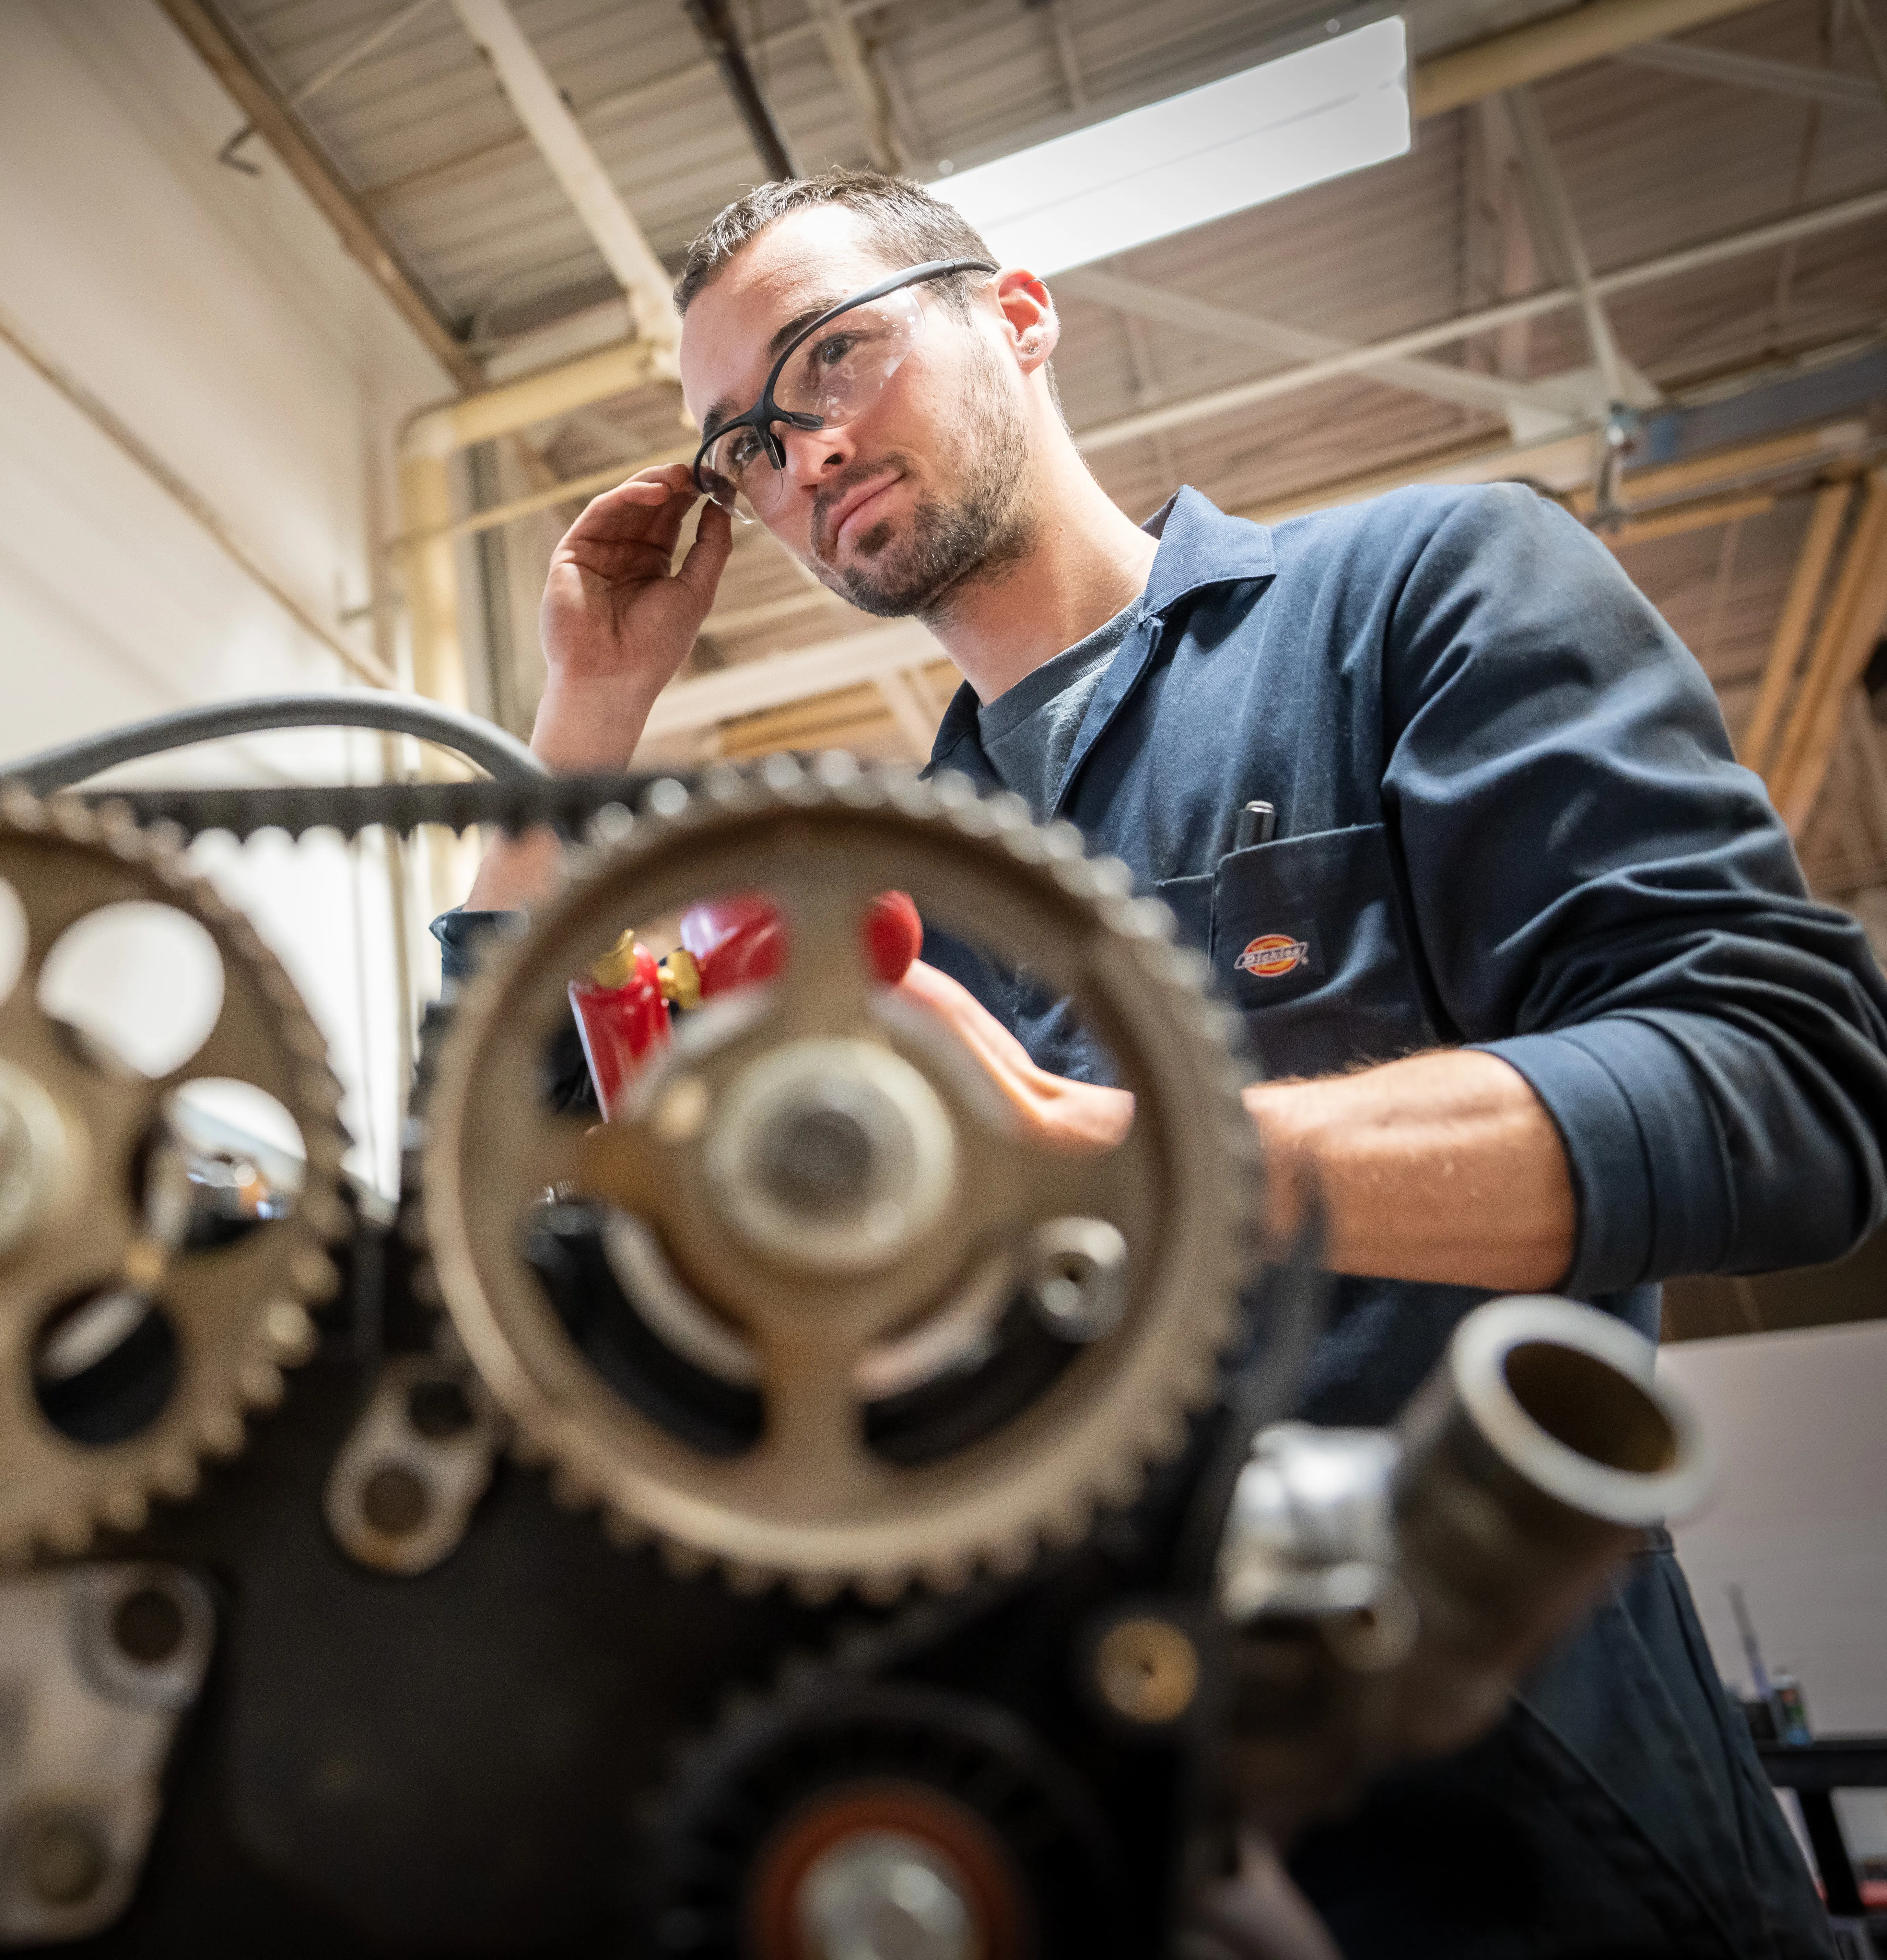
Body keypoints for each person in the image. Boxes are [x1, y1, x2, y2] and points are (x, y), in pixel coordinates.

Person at [436, 170, 1883, 1958]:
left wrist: (1109, 1146)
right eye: (743, 440)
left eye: (833, 360)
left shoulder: (1411, 601)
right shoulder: (870, 875)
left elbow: (1782, 1088)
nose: (799, 452)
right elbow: (508, 1167)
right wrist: (586, 709)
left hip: (1527, 1812)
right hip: (1077, 1835)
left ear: (1018, 314)